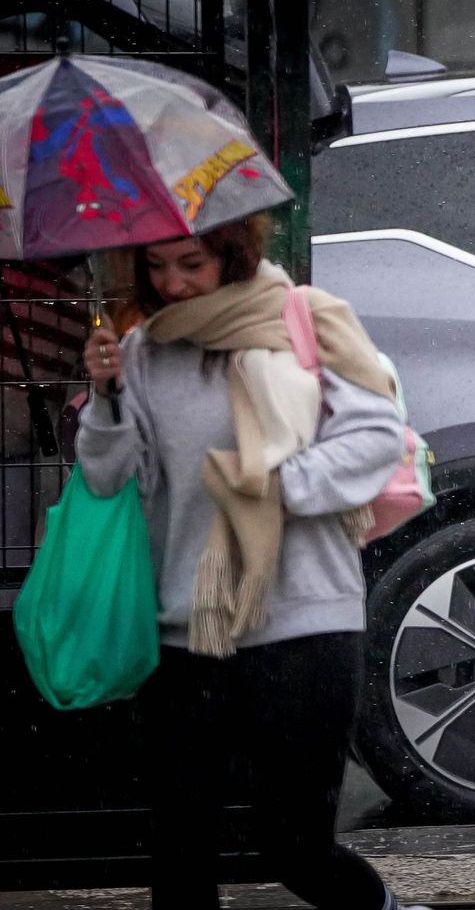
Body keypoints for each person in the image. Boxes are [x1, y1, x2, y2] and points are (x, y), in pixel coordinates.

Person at [77, 214, 427, 910]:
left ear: (233, 257)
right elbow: (109, 479)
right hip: (185, 626)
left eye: (192, 263)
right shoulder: (145, 349)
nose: (171, 282)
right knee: (179, 846)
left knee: (294, 846)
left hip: (303, 622)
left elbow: (374, 439)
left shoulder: (310, 321)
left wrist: (269, 485)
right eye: (156, 265)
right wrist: (108, 397)